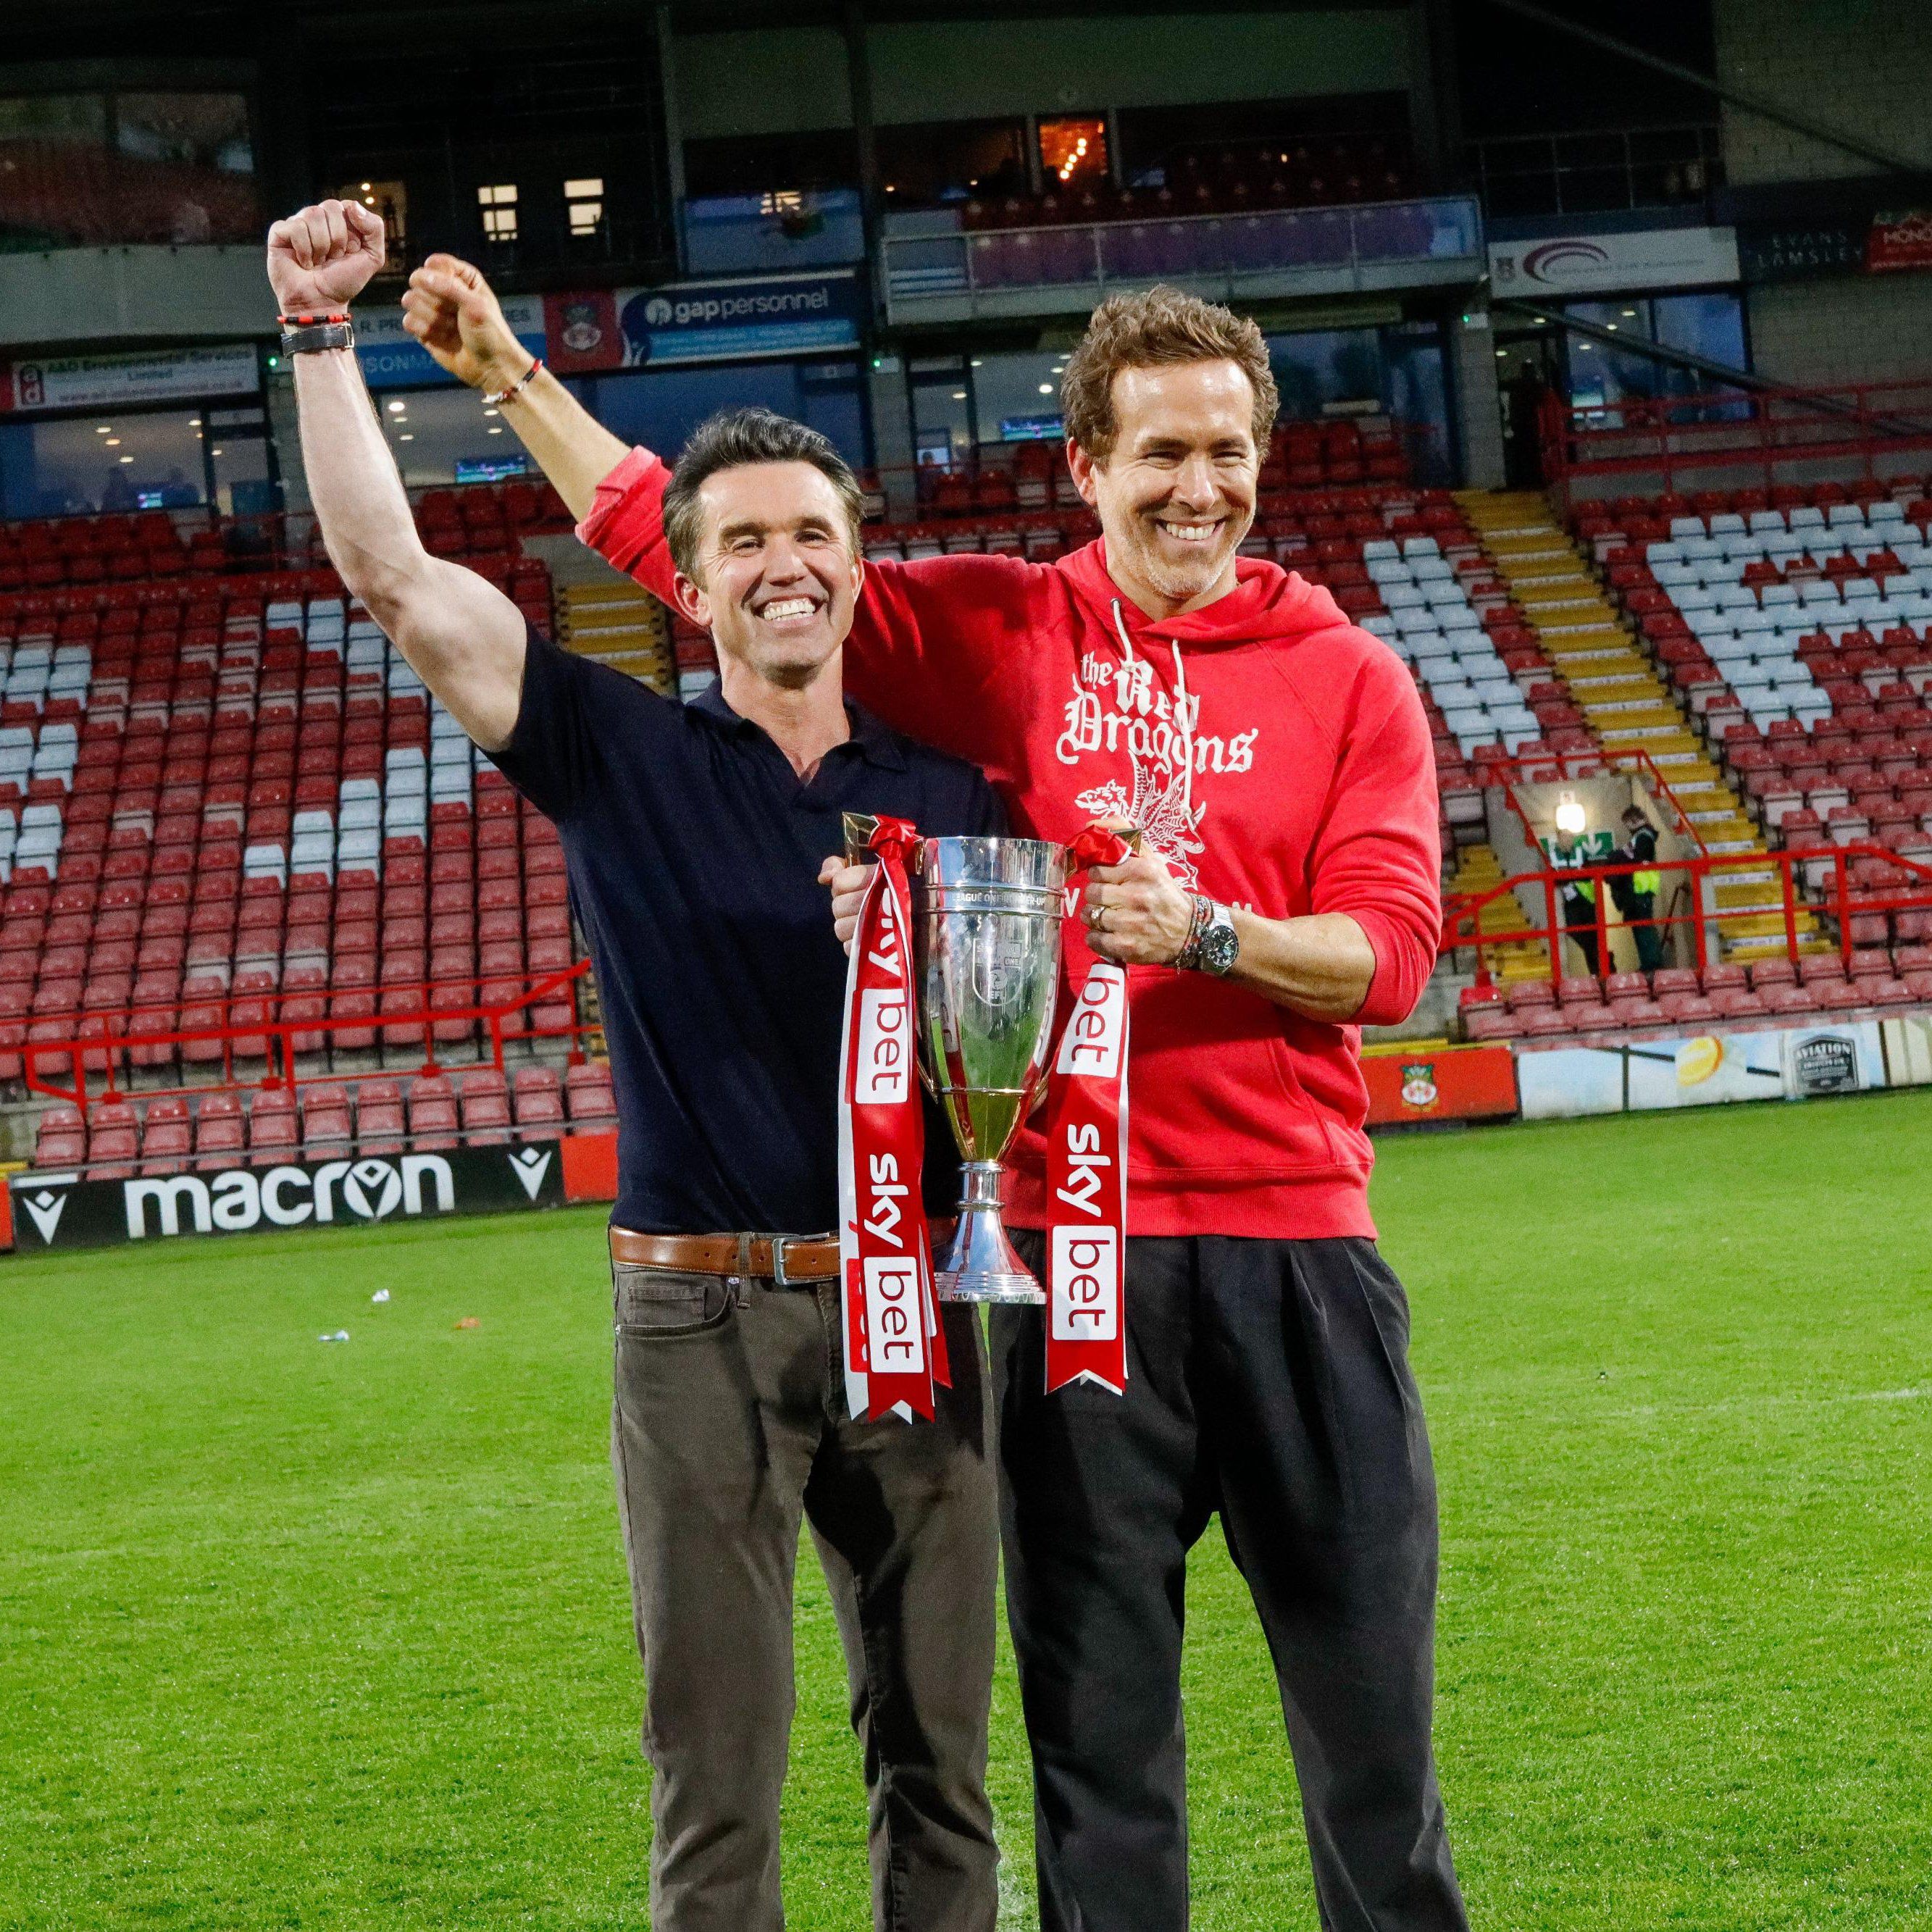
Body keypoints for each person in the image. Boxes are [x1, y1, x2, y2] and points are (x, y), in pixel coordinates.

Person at [404, 258, 1468, 1932]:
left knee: (1374, 1744)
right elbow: (695, 543)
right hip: (1075, 1264)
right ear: (1087, 467)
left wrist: (1207, 930)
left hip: (1301, 1255)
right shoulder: (1006, 630)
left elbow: (1390, 955)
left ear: (1262, 459)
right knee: (1097, 1757)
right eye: (1160, 453)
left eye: (1226, 450)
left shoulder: (1351, 678)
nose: (1196, 486)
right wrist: (509, 374)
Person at [268, 200, 1004, 1932]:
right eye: (741, 541)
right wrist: (316, 336)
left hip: (914, 1298)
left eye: (812, 533)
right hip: (697, 1322)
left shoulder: (956, 797)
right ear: (690, 574)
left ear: (858, 561)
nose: (783, 565)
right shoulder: (614, 747)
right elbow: (394, 577)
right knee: (716, 1780)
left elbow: (1023, 1053)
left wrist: (934, 942)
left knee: (944, 1768)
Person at [1613, 803, 1665, 973]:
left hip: (1640, 887)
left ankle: (1652, 964)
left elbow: (1638, 860)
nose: (1627, 827)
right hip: (1641, 887)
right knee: (1642, 927)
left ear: (1631, 821)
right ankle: (1649, 963)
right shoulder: (1644, 836)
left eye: (1627, 823)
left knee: (1643, 928)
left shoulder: (1643, 838)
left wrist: (1622, 858)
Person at [1550, 830, 1601, 977]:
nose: (1568, 840)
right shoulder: (1552, 856)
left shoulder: (1580, 852)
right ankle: (1600, 966)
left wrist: (1570, 876)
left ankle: (1596, 973)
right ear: (1559, 839)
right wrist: (1566, 878)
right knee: (1575, 932)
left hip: (1586, 899)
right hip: (1570, 902)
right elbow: (1551, 877)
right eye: (1564, 837)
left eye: (1570, 837)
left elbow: (1590, 872)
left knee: (1593, 937)